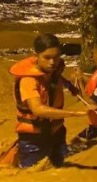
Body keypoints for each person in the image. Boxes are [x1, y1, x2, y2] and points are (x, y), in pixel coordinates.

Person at [9, 33, 88, 168]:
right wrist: (75, 113)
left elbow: (56, 80)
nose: (52, 62)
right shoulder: (28, 80)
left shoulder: (52, 70)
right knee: (32, 177)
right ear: (36, 56)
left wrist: (70, 86)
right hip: (33, 140)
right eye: (47, 58)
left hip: (57, 134)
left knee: (62, 170)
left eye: (56, 57)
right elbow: (37, 109)